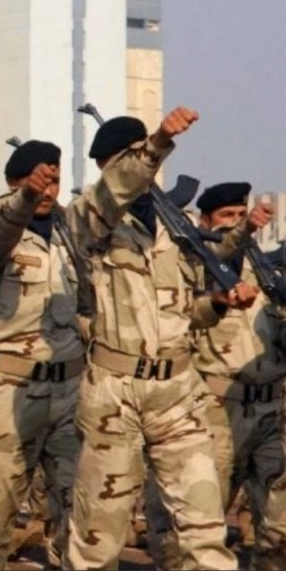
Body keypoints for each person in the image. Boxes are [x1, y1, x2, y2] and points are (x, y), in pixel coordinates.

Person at [62, 108, 259, 570]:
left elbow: (184, 313)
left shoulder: (175, 228)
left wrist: (218, 304)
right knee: (97, 541)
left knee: (206, 531)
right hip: (116, 394)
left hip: (178, 392)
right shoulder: (89, 220)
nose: (126, 172)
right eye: (118, 164)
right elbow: (114, 191)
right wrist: (156, 143)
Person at [0, 141, 84, 568]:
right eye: (35, 182)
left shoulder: (73, 236)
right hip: (12, 390)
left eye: (53, 181)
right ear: (13, 183)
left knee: (82, 510)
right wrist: (26, 196)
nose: (47, 190)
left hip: (70, 390)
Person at [187, 183, 281, 570]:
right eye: (226, 217)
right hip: (217, 411)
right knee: (203, 526)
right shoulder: (194, 271)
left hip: (271, 411)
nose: (236, 224)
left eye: (241, 216)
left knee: (279, 528)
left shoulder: (269, 275)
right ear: (205, 222)